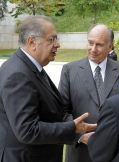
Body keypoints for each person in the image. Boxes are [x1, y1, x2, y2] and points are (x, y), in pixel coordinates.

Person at [0, 15, 97, 162]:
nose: (57, 44)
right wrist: (72, 127)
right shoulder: (18, 74)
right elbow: (27, 131)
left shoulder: (29, 66)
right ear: (32, 42)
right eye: (51, 39)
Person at [58, 24, 119, 162]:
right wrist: (80, 136)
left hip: (116, 152)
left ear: (110, 47)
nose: (93, 49)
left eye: (99, 45)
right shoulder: (69, 70)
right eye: (90, 43)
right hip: (80, 152)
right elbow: (62, 110)